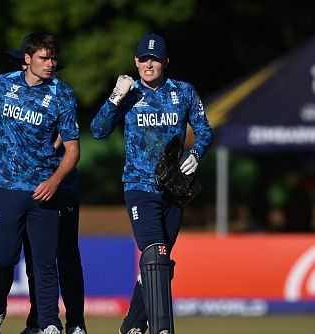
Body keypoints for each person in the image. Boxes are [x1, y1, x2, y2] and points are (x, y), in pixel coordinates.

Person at [90, 33, 213, 334]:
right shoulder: (129, 93)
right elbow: (97, 131)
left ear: (165, 62)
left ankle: (131, 327)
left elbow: (205, 129)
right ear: (135, 61)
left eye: (154, 59)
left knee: (158, 264)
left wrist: (196, 152)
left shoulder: (183, 92)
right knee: (155, 253)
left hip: (174, 190)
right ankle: (162, 329)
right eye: (143, 58)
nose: (148, 64)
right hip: (139, 187)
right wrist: (114, 97)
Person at [0, 32, 80, 334]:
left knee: (44, 263)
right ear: (27, 58)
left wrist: (55, 180)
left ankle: (48, 322)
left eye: (53, 59)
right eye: (43, 58)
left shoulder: (62, 94)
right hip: (6, 188)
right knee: (3, 260)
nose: (50, 64)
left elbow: (73, 150)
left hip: (43, 191)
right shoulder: (2, 84)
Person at [6, 41, 86, 334]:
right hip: (34, 189)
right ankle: (38, 322)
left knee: (64, 257)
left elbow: (63, 146)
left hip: (61, 189)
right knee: (36, 259)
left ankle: (75, 322)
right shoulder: (18, 91)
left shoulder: (60, 95)